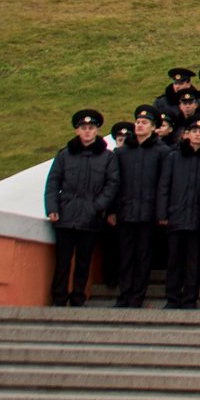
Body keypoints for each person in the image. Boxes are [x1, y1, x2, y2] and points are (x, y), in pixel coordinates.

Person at [45, 109, 120, 307]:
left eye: (91, 128)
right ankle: (59, 297)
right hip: (66, 216)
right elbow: (53, 182)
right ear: (77, 131)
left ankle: (78, 297)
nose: (87, 131)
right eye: (83, 128)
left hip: (91, 218)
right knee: (62, 262)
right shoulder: (64, 155)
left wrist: (97, 207)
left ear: (97, 131)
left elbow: (112, 185)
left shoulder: (107, 157)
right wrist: (52, 208)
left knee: (83, 262)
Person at [158, 118, 200, 310]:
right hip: (177, 215)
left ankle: (190, 298)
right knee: (174, 261)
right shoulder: (174, 156)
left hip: (198, 218)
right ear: (186, 134)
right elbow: (164, 185)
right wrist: (162, 212)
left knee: (194, 262)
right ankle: (172, 298)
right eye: (194, 131)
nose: (197, 135)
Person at [111, 108, 165, 309]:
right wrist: (112, 210)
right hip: (126, 211)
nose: (140, 125)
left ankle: (137, 297)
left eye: (145, 122)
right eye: (138, 121)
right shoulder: (122, 152)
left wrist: (160, 212)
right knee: (125, 256)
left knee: (143, 257)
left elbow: (163, 185)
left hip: (148, 214)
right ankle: (124, 294)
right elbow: (115, 183)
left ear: (153, 127)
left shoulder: (162, 152)